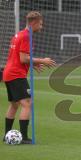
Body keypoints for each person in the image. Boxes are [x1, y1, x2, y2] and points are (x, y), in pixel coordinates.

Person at [3, 11, 56, 144]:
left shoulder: (18, 35)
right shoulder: (26, 36)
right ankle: (24, 137)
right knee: (27, 103)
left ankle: (6, 135)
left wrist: (34, 64)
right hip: (16, 74)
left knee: (14, 105)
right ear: (34, 23)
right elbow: (23, 58)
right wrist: (42, 60)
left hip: (9, 73)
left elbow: (18, 58)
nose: (41, 27)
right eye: (40, 24)